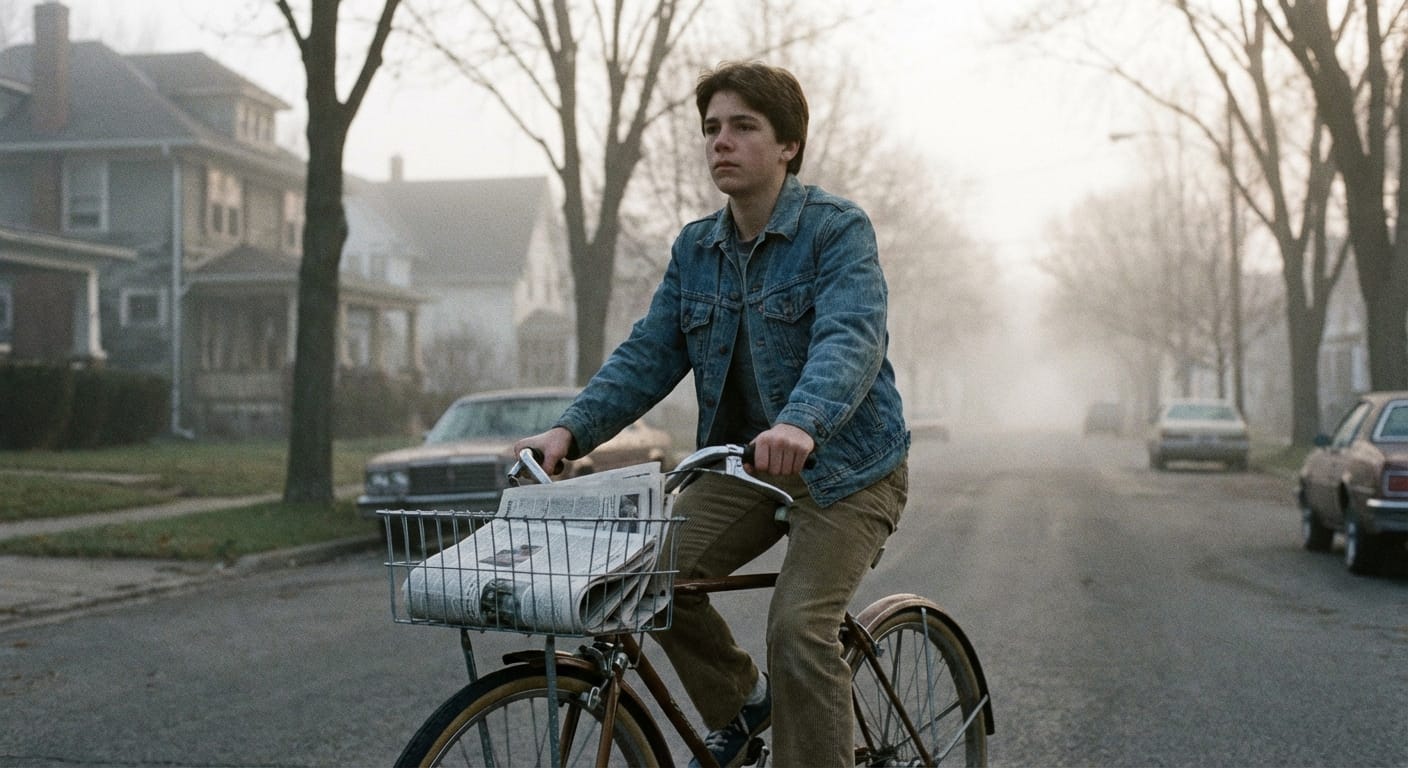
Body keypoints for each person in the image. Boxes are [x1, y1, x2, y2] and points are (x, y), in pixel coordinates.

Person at [514, 60, 909, 768]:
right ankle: (740, 701)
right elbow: (648, 354)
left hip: (848, 469)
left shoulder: (836, 231)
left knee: (798, 630)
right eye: (711, 129)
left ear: (788, 145)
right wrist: (568, 431)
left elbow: (849, 336)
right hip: (746, 468)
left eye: (742, 127)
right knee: (641, 582)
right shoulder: (697, 249)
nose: (720, 142)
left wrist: (802, 422)